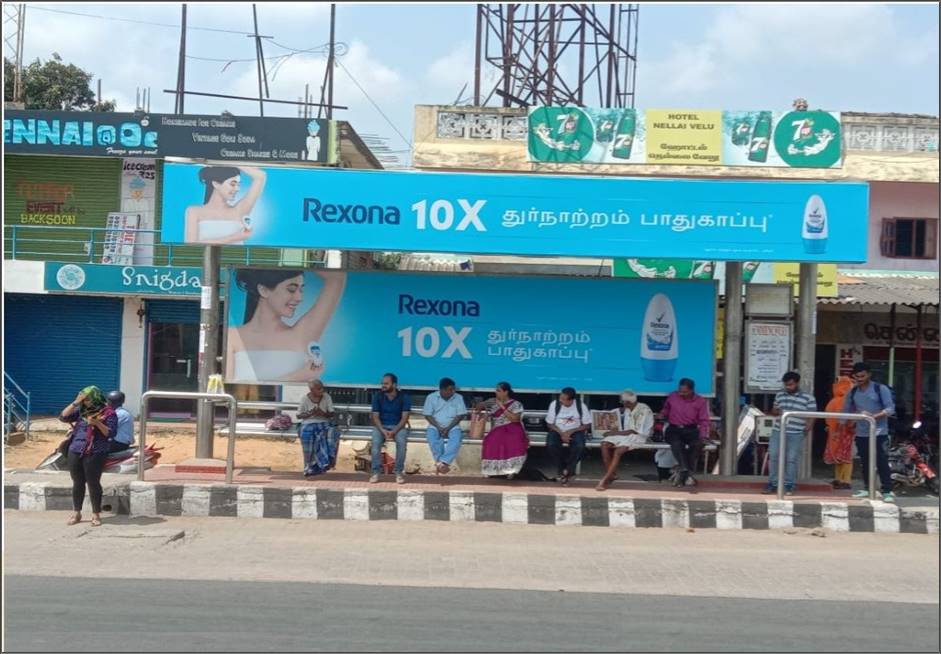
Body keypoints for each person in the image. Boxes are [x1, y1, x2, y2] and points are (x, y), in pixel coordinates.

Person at [226, 269, 346, 383]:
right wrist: (298, 377)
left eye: (301, 290)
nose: (300, 298)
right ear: (263, 290)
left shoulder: (302, 335)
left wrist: (299, 255)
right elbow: (228, 391)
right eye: (291, 290)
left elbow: (337, 278)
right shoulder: (232, 336)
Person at [60, 386, 118, 527]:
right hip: (76, 449)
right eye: (84, 400)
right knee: (77, 482)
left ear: (96, 398)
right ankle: (76, 513)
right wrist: (75, 402)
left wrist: (97, 423)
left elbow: (110, 434)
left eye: (88, 399)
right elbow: (63, 417)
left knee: (93, 483)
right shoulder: (81, 411)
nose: (86, 402)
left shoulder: (109, 413)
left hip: (96, 451)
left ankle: (95, 514)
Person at [843, 362, 896, 503]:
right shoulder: (853, 391)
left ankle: (887, 490)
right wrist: (843, 426)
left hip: (879, 432)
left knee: (881, 461)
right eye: (857, 376)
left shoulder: (880, 389)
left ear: (869, 375)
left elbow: (890, 409)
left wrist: (873, 416)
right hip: (861, 433)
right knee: (865, 462)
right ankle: (868, 488)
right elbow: (846, 410)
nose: (860, 378)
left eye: (862, 376)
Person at [762, 372, 817, 496]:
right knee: (774, 456)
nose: (788, 387)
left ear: (797, 383)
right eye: (786, 385)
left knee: (791, 459)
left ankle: (789, 485)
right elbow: (774, 410)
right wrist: (775, 411)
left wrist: (806, 430)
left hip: (796, 432)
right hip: (778, 430)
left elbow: (812, 416)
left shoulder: (808, 398)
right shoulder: (780, 394)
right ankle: (773, 483)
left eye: (790, 385)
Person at [184, 165, 266, 244]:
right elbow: (191, 246)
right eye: (233, 184)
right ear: (216, 184)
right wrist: (234, 237)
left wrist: (230, 160)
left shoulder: (240, 210)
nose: (237, 189)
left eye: (238, 184)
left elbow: (260, 176)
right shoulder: (194, 212)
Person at [596, 390, 654, 491]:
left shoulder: (643, 410)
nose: (621, 403)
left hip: (638, 436)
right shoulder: (629, 408)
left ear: (628, 402)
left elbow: (634, 431)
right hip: (625, 434)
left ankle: (604, 480)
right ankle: (612, 475)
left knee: (618, 452)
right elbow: (621, 412)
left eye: (622, 401)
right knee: (604, 444)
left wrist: (613, 433)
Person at [660, 378, 711, 488]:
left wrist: (703, 435)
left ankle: (684, 470)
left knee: (697, 444)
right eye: (680, 391)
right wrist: (662, 414)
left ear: (691, 390)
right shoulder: (673, 396)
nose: (681, 393)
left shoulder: (700, 401)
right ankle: (686, 470)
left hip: (690, 429)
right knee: (677, 444)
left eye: (684, 392)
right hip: (674, 429)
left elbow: (704, 420)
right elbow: (666, 410)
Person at [545, 387, 592, 486]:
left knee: (579, 446)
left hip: (575, 430)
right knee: (551, 445)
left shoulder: (580, 406)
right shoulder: (555, 404)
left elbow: (587, 424)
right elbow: (549, 424)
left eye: (563, 399)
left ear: (571, 400)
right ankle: (562, 469)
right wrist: (562, 433)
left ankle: (567, 471)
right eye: (560, 397)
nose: (560, 400)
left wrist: (570, 431)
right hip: (557, 430)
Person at [480, 382, 528, 478]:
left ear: (506, 392)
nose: (496, 392)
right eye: (496, 390)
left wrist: (502, 406)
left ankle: (511, 470)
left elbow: (515, 419)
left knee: (511, 439)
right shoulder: (494, 405)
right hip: (498, 429)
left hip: (513, 428)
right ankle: (491, 470)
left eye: (498, 391)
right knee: (491, 439)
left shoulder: (516, 404)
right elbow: (492, 417)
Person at [370, 373, 411, 484]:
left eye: (386, 384)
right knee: (375, 444)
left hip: (398, 426)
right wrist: (383, 430)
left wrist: (394, 431)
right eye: (383, 383)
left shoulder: (404, 397)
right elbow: (375, 417)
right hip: (380, 426)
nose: (383, 386)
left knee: (402, 444)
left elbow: (405, 418)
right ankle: (376, 472)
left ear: (394, 384)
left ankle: (398, 472)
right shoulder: (377, 396)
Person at [422, 377, 468, 474]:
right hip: (435, 425)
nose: (453, 391)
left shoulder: (458, 397)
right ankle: (442, 463)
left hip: (452, 426)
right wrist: (439, 427)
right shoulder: (431, 397)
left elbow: (460, 415)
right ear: (442, 390)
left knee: (456, 439)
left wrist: (448, 428)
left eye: (453, 389)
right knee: (432, 438)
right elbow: (428, 415)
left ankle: (443, 462)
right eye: (450, 389)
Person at [297, 379, 338, 477]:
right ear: (312, 390)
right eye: (319, 389)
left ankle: (326, 462)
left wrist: (322, 413)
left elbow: (332, 414)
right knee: (307, 435)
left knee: (330, 434)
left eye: (322, 388)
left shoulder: (327, 397)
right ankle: (309, 466)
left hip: (324, 422)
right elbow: (298, 415)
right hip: (308, 423)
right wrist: (309, 413)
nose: (322, 391)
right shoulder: (304, 399)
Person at [824, 376, 856, 489]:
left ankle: (845, 481)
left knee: (844, 456)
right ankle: (839, 479)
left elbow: (844, 418)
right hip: (837, 432)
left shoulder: (845, 400)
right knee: (839, 456)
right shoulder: (841, 399)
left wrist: (837, 430)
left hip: (843, 432)